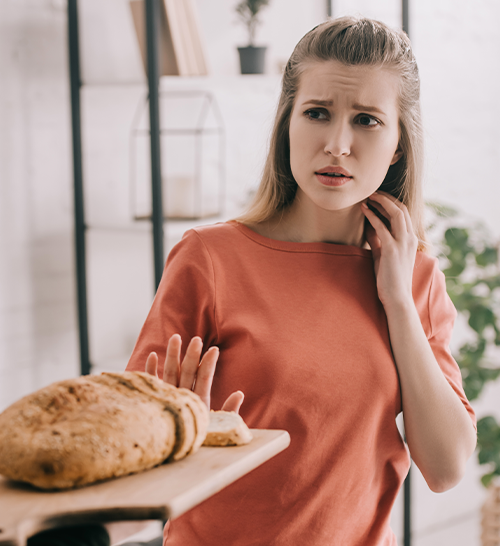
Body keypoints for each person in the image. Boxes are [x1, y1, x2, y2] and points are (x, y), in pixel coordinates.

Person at [126, 15, 477, 546]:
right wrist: (183, 442)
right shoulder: (210, 259)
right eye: (317, 113)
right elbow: (132, 451)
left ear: (400, 143)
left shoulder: (416, 280)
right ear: (287, 123)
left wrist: (398, 304)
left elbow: (446, 467)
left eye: (367, 120)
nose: (337, 143)